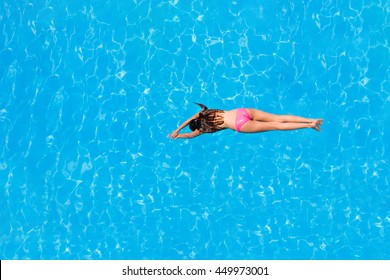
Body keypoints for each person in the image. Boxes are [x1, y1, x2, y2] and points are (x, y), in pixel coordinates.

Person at [169, 103, 323, 139]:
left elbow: (189, 136)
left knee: (276, 125)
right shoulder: (206, 112)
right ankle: (311, 120)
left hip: (240, 125)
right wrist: (177, 129)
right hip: (241, 111)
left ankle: (309, 125)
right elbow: (190, 118)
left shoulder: (202, 129)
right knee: (278, 117)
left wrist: (177, 136)